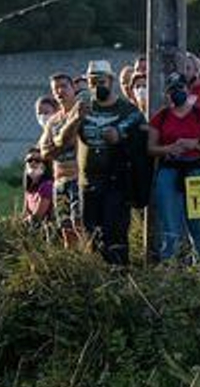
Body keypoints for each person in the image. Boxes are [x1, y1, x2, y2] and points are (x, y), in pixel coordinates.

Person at [54, 59, 145, 264]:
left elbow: (142, 137)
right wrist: (76, 118)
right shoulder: (82, 107)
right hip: (87, 182)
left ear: (111, 81)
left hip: (117, 182)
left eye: (101, 81)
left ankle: (120, 278)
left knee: (115, 233)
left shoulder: (127, 110)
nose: (97, 87)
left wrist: (120, 135)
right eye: (92, 82)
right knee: (91, 233)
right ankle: (97, 279)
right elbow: (60, 141)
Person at [146, 72, 200, 262]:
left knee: (199, 226)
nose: (177, 92)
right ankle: (170, 271)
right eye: (172, 89)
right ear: (167, 94)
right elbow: (151, 148)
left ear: (187, 89)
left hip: (197, 170)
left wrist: (194, 144)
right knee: (170, 225)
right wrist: (169, 148)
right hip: (169, 170)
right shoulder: (160, 117)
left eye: (180, 87)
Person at [38, 72, 81, 246]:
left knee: (79, 224)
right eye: (56, 88)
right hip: (59, 181)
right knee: (65, 227)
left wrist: (56, 146)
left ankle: (87, 263)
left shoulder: (81, 113)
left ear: (73, 88)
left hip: (78, 178)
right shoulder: (53, 121)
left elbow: (73, 141)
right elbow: (45, 152)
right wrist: (61, 143)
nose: (60, 91)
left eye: (64, 86)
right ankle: (71, 263)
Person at [22, 146, 54, 230]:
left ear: (45, 165)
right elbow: (25, 213)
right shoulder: (29, 188)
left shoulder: (47, 186)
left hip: (47, 230)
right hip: (33, 226)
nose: (33, 163)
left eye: (37, 160)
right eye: (29, 160)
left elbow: (37, 217)